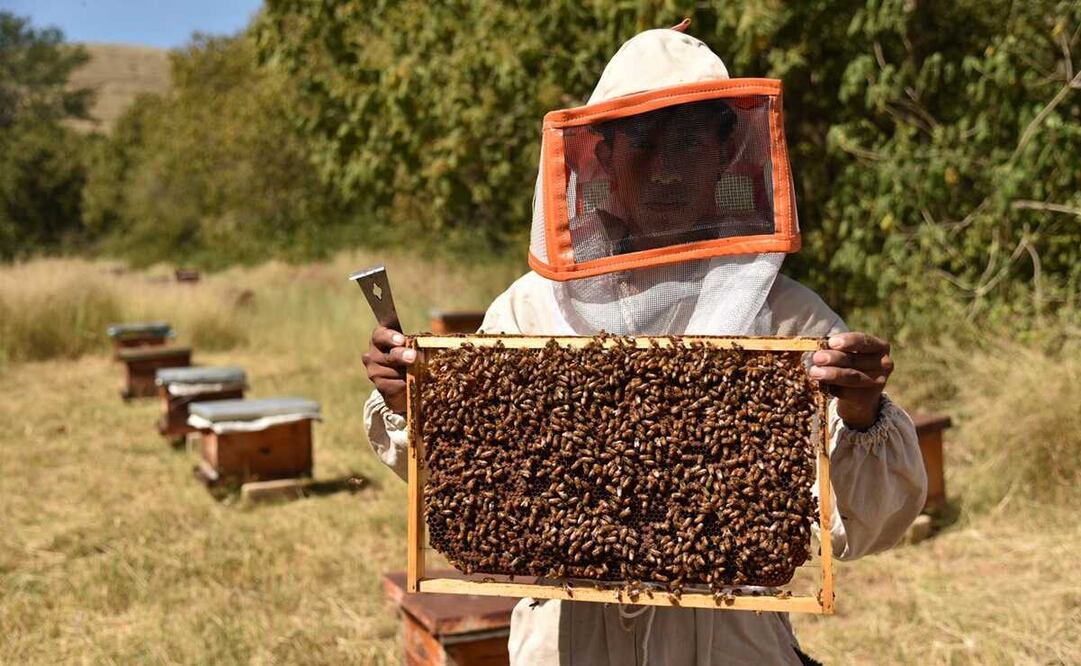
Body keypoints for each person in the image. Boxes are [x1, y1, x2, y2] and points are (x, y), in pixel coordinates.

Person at [362, 23, 927, 666]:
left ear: (726, 153)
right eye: (642, 142)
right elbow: (460, 481)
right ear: (601, 156)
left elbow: (867, 524)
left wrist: (860, 416)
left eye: (688, 140)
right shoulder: (529, 308)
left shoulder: (787, 320)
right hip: (568, 644)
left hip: (728, 647)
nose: (664, 166)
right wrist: (414, 403)